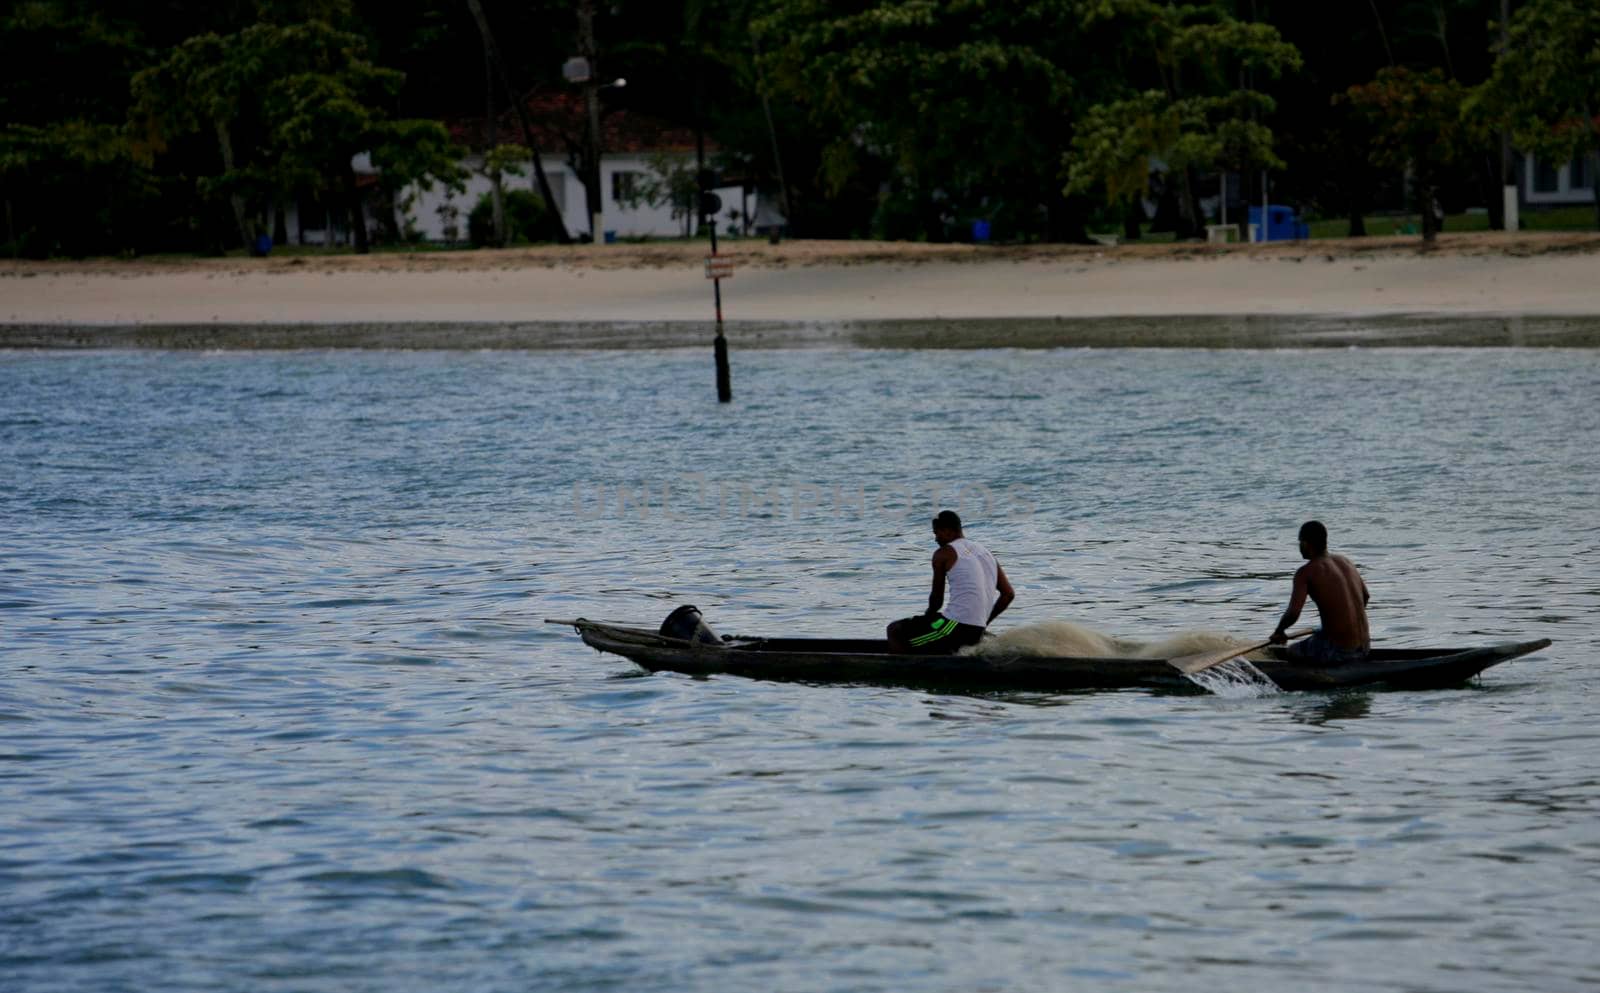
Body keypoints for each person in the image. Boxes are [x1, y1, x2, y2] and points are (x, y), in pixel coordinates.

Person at [887, 510, 1014, 654]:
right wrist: (984, 623)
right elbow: (1008, 594)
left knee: (895, 630)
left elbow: (936, 601)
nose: (936, 539)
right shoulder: (986, 552)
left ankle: (907, 671)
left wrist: (928, 616)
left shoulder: (943, 554)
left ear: (947, 531)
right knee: (929, 628)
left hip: (954, 628)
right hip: (976, 630)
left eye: (937, 533)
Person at [1270, 520, 1370, 663]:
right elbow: (1365, 596)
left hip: (1340, 652)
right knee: (1319, 638)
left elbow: (1293, 613)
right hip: (1365, 647)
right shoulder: (1346, 561)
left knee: (1291, 651)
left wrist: (1279, 631)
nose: (1299, 546)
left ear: (1306, 544)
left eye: (1300, 542)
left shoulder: (1305, 572)